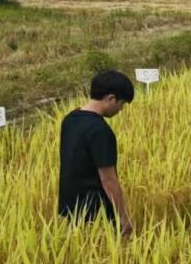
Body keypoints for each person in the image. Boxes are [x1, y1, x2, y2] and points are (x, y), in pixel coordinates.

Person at [58, 70, 135, 235]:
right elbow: (108, 179)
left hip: (72, 206)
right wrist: (123, 216)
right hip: (96, 210)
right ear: (111, 98)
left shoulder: (70, 120)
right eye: (122, 104)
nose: (121, 110)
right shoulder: (101, 131)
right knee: (105, 249)